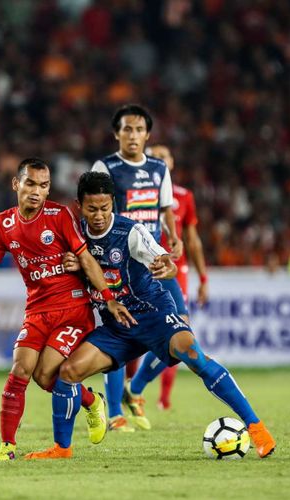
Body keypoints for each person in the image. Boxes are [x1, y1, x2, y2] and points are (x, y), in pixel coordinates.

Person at [31, 171, 276, 459]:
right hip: (117, 326)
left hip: (153, 315)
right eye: (91, 209)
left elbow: (165, 262)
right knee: (69, 372)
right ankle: (62, 448)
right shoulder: (74, 236)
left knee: (193, 355)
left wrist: (165, 267)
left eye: (105, 208)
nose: (98, 215)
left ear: (113, 204)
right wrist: (70, 263)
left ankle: (257, 428)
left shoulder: (131, 232)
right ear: (79, 206)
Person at [0, 157, 135, 461]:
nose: (37, 191)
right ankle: (8, 446)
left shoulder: (60, 216)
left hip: (72, 308)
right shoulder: (2, 223)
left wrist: (108, 297)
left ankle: (89, 405)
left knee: (48, 375)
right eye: (31, 183)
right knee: (23, 371)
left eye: (44, 185)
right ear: (16, 184)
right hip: (36, 310)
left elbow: (85, 258)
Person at [91, 103, 185, 432]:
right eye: (127, 129)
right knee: (118, 333)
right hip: (121, 263)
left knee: (182, 329)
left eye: (139, 129)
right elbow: (97, 212)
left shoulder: (160, 168)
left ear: (148, 135)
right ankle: (115, 412)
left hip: (155, 261)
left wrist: (175, 237)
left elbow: (165, 209)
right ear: (116, 133)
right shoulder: (106, 166)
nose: (133, 135)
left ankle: (138, 386)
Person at [127, 144, 210, 413]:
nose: (160, 161)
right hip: (140, 267)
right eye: (155, 156)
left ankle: (145, 392)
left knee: (179, 331)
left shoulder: (185, 197)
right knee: (133, 331)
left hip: (175, 270)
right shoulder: (137, 192)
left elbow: (193, 240)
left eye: (165, 157)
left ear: (171, 163)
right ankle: (129, 390)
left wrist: (203, 278)